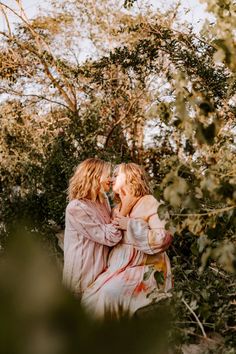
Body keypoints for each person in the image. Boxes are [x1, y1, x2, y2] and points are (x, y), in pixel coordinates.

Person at [82, 162, 173, 318]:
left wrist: (130, 225)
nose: (111, 178)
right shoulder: (116, 209)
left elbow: (164, 238)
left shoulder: (150, 202)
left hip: (147, 268)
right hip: (118, 268)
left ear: (131, 176)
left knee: (110, 293)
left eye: (117, 174)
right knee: (89, 296)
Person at [63, 158, 126, 296]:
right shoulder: (77, 207)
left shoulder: (103, 202)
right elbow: (110, 237)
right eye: (107, 175)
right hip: (82, 278)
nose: (110, 179)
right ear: (94, 176)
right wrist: (125, 211)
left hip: (101, 276)